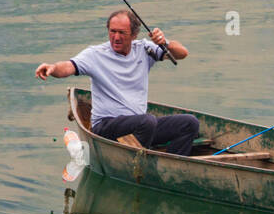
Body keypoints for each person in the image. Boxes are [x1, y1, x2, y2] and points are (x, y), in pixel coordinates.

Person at [35, 9, 198, 155]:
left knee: (189, 123)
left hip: (139, 127)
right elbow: (68, 67)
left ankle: (172, 164)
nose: (116, 37)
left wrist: (164, 43)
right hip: (106, 127)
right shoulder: (95, 54)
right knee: (147, 121)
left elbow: (182, 53)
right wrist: (52, 68)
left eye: (122, 33)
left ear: (134, 35)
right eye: (112, 31)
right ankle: (138, 162)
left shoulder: (145, 49)